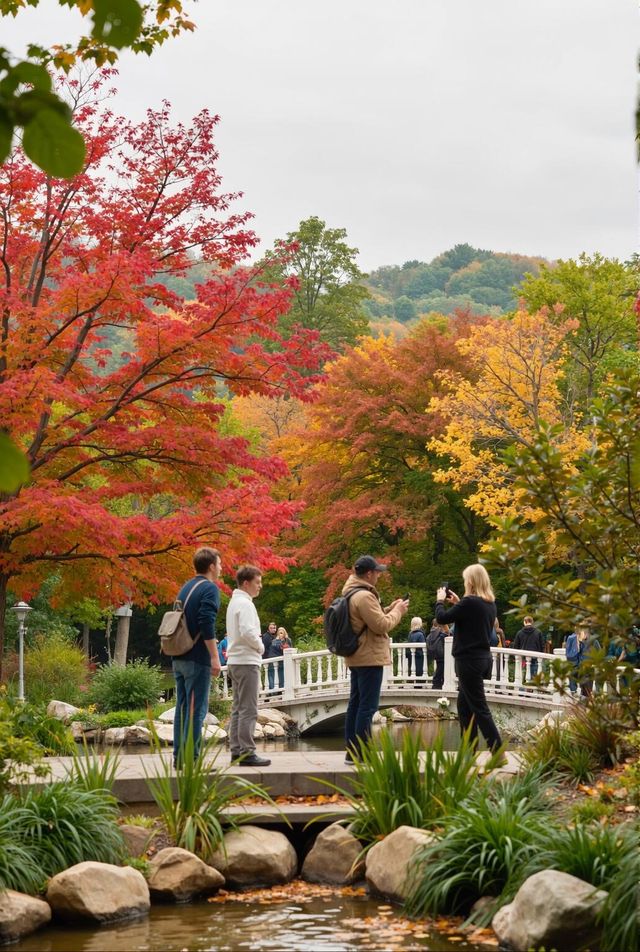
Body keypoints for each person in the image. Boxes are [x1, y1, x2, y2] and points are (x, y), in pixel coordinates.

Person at [343, 555, 409, 763]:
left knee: (355, 705)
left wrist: (389, 608)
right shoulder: (364, 596)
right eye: (377, 572)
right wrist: (398, 612)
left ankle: (352, 752)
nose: (379, 575)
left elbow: (370, 619)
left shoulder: (352, 593)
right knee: (367, 707)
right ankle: (363, 754)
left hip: (358, 656)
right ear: (369, 573)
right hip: (369, 657)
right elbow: (381, 626)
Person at [435, 564, 503, 754]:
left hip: (469, 661)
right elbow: (471, 621)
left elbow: (442, 618)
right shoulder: (489, 603)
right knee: (464, 707)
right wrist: (458, 602)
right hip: (482, 659)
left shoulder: (470, 602)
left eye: (466, 579)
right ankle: (469, 751)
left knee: (480, 708)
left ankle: (497, 751)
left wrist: (440, 601)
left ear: (471, 581)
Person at [172, 546, 222, 767]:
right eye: (219, 564)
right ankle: (192, 761)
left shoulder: (185, 587)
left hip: (179, 656)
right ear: (211, 566)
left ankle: (178, 758)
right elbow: (206, 622)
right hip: (197, 658)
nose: (221, 568)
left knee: (182, 709)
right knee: (196, 711)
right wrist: (214, 656)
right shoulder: (209, 589)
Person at [226, 565, 271, 767]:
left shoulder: (234, 602)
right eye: (257, 583)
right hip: (246, 661)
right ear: (246, 583)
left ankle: (236, 750)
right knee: (248, 709)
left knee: (238, 708)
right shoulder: (244, 604)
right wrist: (260, 646)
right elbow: (247, 630)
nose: (260, 586)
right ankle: (247, 752)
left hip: (236, 661)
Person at [426, 619, 447, 690]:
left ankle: (436, 683)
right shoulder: (441, 632)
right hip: (442, 653)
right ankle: (437, 684)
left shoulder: (431, 633)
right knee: (441, 669)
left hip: (435, 654)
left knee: (439, 668)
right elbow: (447, 635)